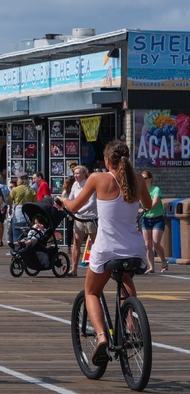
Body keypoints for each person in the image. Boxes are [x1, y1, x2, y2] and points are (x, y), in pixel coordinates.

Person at [58, 140, 152, 366]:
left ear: (107, 160)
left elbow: (74, 208)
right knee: (125, 277)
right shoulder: (137, 179)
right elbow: (147, 205)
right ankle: (131, 322)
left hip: (106, 248)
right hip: (134, 248)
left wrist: (62, 200)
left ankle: (101, 337)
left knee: (91, 292)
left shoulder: (97, 179)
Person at [67, 166, 97, 277]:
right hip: (78, 218)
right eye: (74, 173)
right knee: (76, 242)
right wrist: (67, 206)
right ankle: (73, 269)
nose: (75, 175)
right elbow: (71, 199)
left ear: (84, 174)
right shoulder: (75, 185)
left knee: (95, 243)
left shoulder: (89, 184)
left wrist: (78, 210)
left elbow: (92, 202)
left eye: (78, 173)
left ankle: (95, 268)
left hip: (90, 217)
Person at [139, 170, 167, 273]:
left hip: (157, 219)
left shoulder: (156, 190)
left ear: (150, 179)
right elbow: (138, 202)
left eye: (145, 178)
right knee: (148, 245)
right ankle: (151, 267)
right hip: (146, 219)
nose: (143, 180)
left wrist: (145, 209)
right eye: (142, 179)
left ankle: (164, 262)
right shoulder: (141, 191)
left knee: (156, 243)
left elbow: (154, 203)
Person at [8, 174, 36, 243]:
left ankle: (16, 250)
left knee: (16, 234)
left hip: (18, 214)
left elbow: (9, 201)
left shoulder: (15, 190)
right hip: (28, 214)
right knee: (27, 235)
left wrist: (10, 208)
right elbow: (35, 202)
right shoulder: (31, 190)